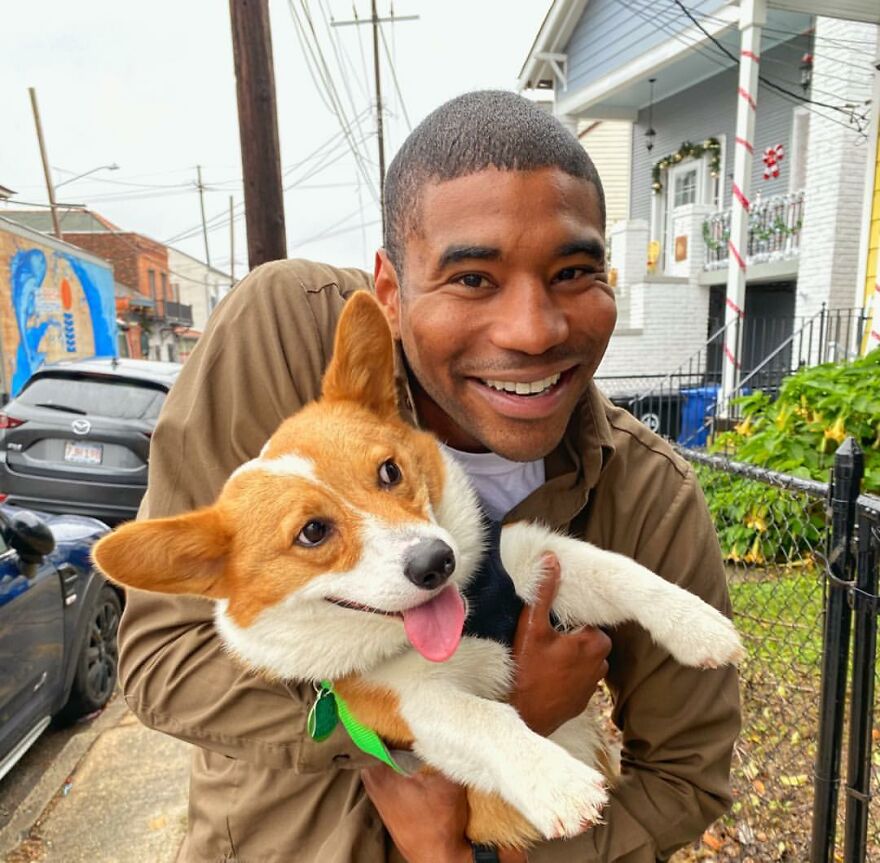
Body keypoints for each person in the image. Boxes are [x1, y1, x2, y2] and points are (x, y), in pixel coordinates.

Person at [118, 90, 740, 863]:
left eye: (574, 270)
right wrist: (468, 718)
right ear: (389, 292)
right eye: (473, 278)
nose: (534, 330)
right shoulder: (282, 331)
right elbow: (164, 661)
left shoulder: (650, 492)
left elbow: (687, 775)